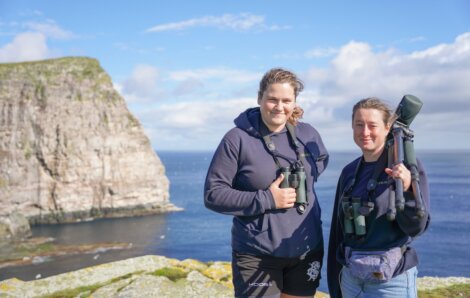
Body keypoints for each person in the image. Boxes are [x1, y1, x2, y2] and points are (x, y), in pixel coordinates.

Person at [204, 68, 329, 298]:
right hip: (257, 254)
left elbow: (320, 162)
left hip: (306, 250)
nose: (279, 107)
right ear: (260, 98)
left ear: (294, 102)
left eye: (286, 100)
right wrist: (267, 199)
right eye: (272, 99)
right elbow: (213, 194)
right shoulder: (237, 139)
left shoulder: (308, 134)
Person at [327, 97, 431, 298]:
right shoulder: (349, 172)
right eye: (359, 125)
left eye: (372, 125)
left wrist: (409, 190)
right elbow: (337, 233)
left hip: (391, 283)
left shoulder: (406, 166)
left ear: (387, 127)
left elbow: (417, 227)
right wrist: (335, 284)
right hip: (351, 280)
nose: (365, 132)